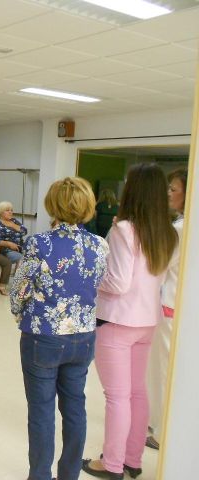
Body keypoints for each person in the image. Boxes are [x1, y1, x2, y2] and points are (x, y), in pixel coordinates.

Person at [83, 163, 178, 480]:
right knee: (138, 393)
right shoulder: (168, 231)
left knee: (117, 397)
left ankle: (111, 464)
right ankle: (132, 460)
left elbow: (118, 282)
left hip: (117, 321)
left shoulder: (123, 229)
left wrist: (92, 276)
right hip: (147, 322)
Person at [11, 176, 108, 480]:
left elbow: (19, 292)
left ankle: (40, 475)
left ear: (53, 205)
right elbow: (97, 283)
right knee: (76, 406)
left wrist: (21, 315)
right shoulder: (99, 244)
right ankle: (69, 475)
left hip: (44, 337)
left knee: (41, 412)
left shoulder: (40, 243)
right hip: (83, 337)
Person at [145, 168, 187, 451]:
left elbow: (159, 264)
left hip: (170, 305)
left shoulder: (180, 229)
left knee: (164, 370)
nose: (169, 193)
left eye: (173, 189)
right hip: (178, 306)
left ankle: (161, 430)